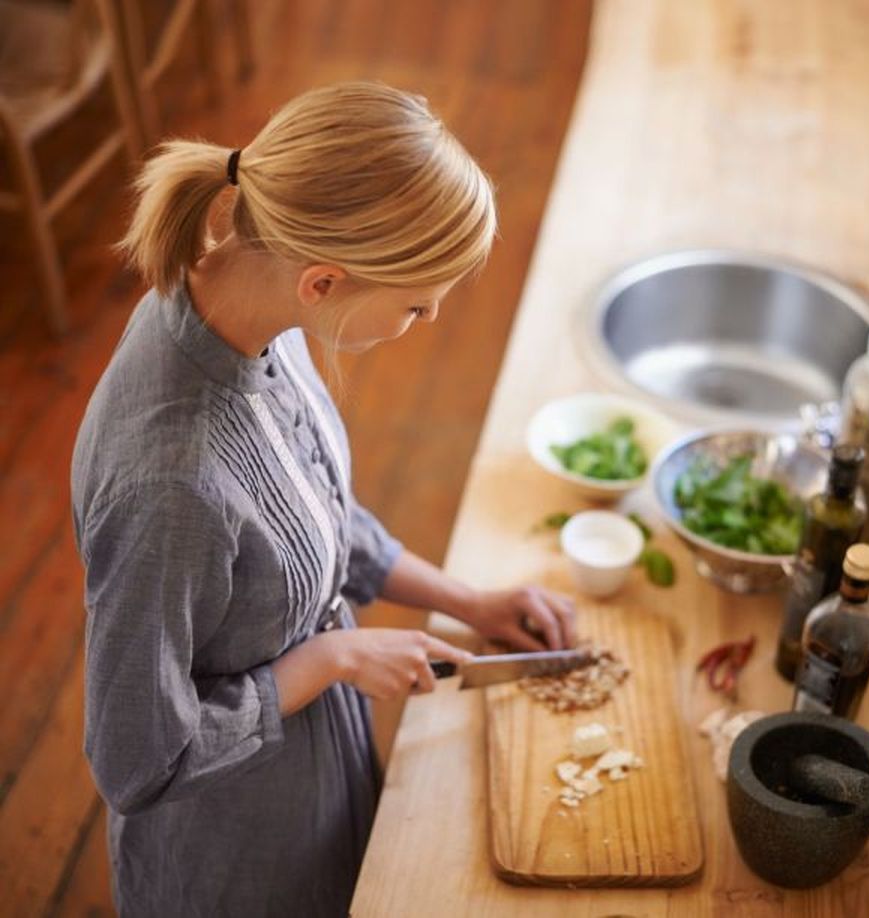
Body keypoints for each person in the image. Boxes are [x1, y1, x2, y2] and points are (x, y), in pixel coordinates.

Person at [70, 82, 577, 916]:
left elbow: (305, 512)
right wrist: (330, 660)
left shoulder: (243, 302)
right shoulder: (170, 482)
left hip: (311, 771)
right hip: (240, 847)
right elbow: (137, 760)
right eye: (418, 303)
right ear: (323, 282)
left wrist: (469, 599)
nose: (434, 315)